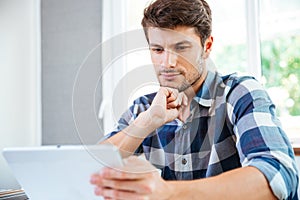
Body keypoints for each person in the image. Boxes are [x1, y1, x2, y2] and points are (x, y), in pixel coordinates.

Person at [90, 0, 299, 199]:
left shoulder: (238, 93)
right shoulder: (144, 108)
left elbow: (277, 174)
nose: (167, 62)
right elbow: (90, 170)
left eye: (181, 48)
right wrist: (147, 122)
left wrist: (168, 193)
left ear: (207, 47)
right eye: (157, 50)